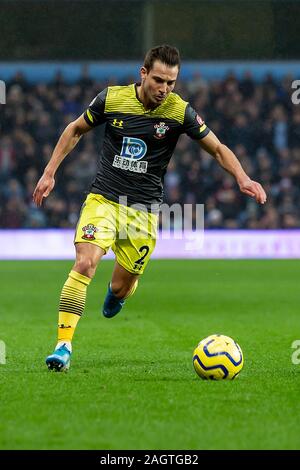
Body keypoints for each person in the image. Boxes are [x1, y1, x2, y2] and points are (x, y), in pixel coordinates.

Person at [33, 45, 267, 372]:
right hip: (104, 200)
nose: (164, 89)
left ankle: (118, 295)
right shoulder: (111, 99)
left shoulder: (178, 111)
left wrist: (243, 177)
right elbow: (75, 130)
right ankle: (63, 346)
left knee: (121, 285)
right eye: (159, 80)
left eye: (171, 82)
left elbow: (216, 148)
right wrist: (49, 172)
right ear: (143, 73)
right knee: (85, 263)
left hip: (142, 213)